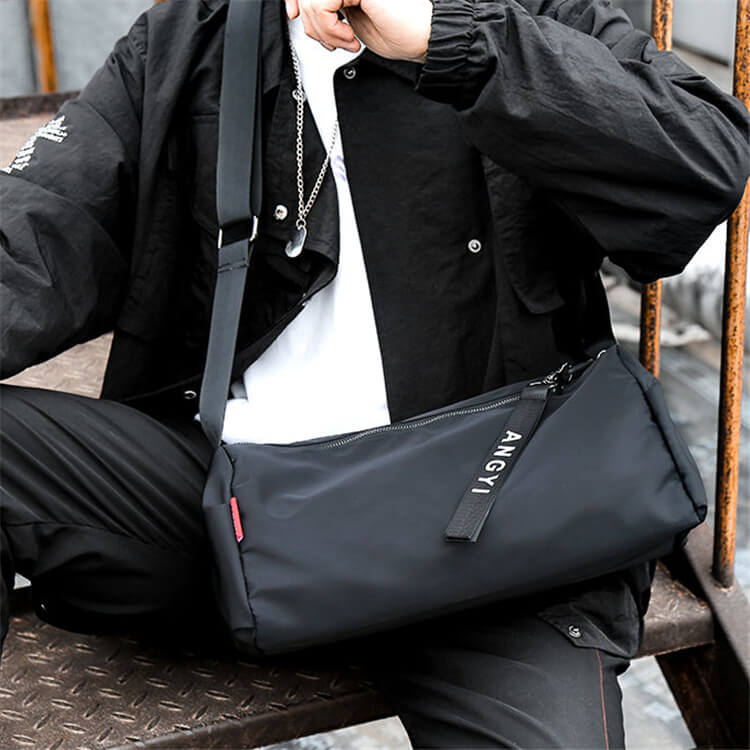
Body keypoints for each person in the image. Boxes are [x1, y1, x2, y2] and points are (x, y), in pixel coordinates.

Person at [1, 0, 748, 746]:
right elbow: (37, 229)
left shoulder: (524, 13)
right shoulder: (193, 37)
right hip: (238, 518)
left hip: (500, 537)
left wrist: (446, 41)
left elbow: (701, 160)